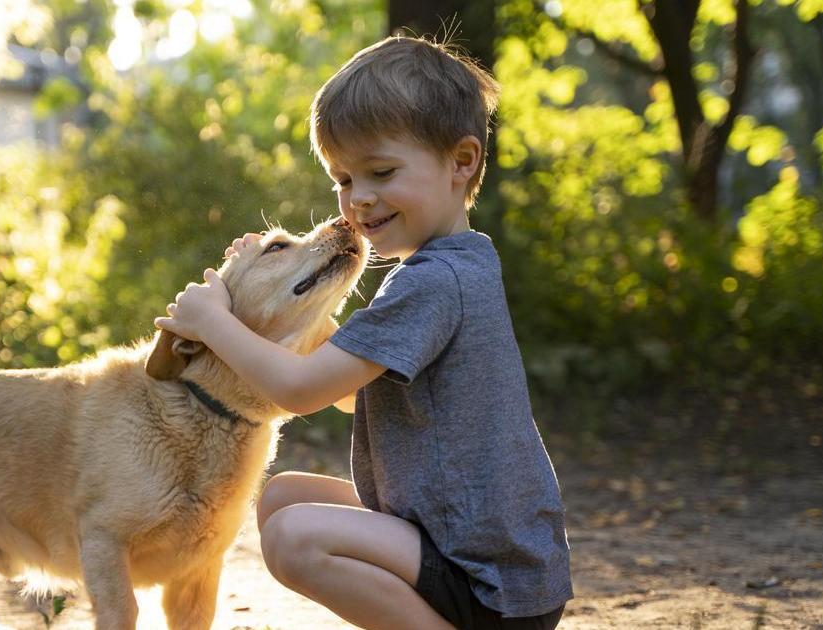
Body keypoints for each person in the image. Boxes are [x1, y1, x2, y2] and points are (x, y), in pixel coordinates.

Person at [154, 35, 571, 630]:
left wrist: (214, 323)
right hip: (476, 550)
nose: (359, 200)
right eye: (344, 179)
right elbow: (357, 394)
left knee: (295, 537)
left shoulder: (434, 281)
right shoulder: (454, 265)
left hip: (489, 581)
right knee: (283, 498)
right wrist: (276, 293)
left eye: (381, 172)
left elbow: (301, 392)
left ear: (462, 161)